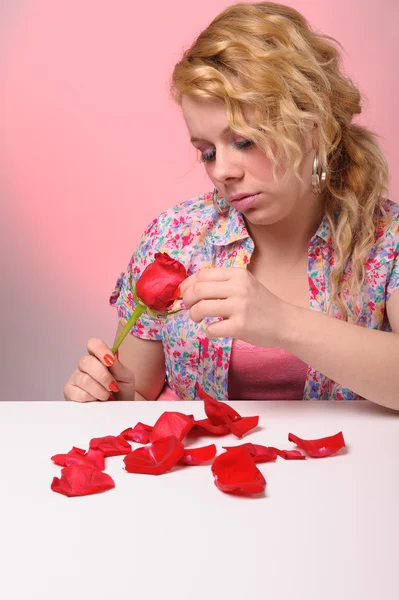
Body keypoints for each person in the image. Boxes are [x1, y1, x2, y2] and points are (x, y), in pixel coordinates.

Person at [64, 2, 399, 410]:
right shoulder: (175, 237)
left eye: (244, 141)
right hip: (198, 472)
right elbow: (138, 391)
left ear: (320, 129)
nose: (222, 170)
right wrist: (108, 393)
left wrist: (281, 322)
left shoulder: (388, 239)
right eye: (206, 152)